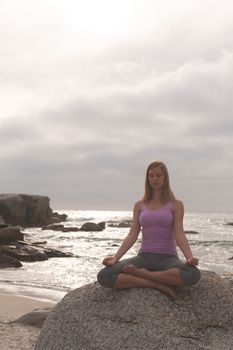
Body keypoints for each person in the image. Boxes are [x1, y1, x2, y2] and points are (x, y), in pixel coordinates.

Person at [97, 160, 201, 299]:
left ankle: (143, 274)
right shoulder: (139, 205)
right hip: (143, 257)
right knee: (104, 275)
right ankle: (157, 284)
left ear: (165, 178)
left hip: (168, 259)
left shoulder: (176, 205)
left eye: (158, 175)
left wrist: (189, 257)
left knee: (193, 274)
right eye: (151, 175)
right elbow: (132, 234)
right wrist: (116, 257)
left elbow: (179, 234)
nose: (154, 179)